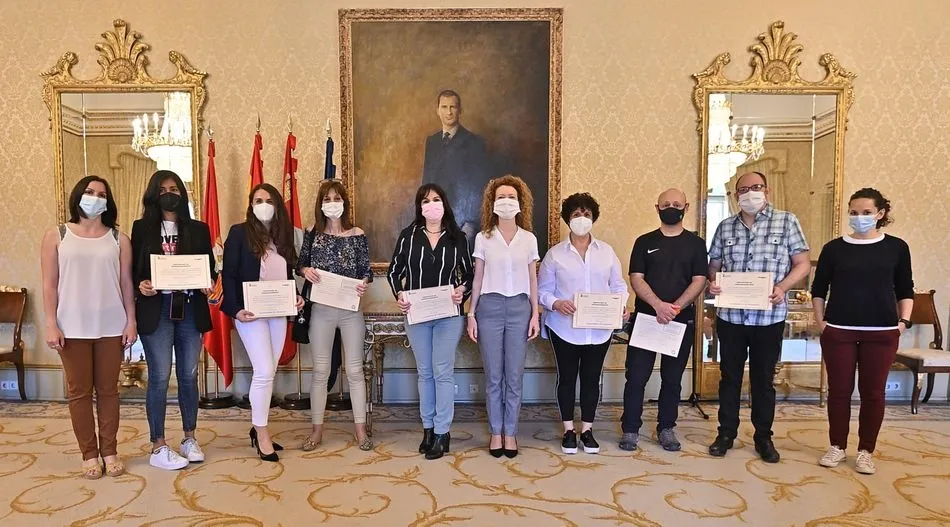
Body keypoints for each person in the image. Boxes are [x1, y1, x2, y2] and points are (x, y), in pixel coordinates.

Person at [707, 171, 810, 463]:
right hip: (731, 318)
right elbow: (713, 265)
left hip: (769, 318)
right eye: (743, 189)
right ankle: (726, 433)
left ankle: (763, 436)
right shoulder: (725, 227)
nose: (749, 193)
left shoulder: (787, 221)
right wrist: (713, 282)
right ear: (735, 195)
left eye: (756, 187)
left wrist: (783, 287)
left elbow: (802, 264)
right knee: (729, 378)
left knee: (763, 380)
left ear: (767, 190)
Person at [40, 175, 136, 479]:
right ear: (78, 196)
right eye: (90, 191)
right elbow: (49, 284)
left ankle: (109, 451)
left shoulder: (119, 239)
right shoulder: (57, 235)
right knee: (79, 392)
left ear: (108, 201)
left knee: (109, 391)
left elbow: (126, 283)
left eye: (102, 194)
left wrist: (131, 321)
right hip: (71, 326)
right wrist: (51, 323)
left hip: (111, 324)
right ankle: (89, 454)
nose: (95, 197)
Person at [811, 188, 913, 475]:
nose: (859, 217)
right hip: (839, 330)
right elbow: (818, 289)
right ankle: (837, 446)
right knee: (839, 392)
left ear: (880, 214)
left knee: (873, 393)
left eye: (866, 212)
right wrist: (821, 323)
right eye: (854, 212)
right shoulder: (834, 249)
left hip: (882, 332)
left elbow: (905, 288)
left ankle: (866, 451)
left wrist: (903, 322)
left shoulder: (896, 247)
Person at [131, 170, 216, 470]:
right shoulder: (141, 228)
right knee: (159, 376)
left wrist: (208, 283)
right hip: (157, 308)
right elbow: (133, 271)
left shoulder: (199, 229)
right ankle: (158, 445)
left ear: (182, 193)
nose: (170, 194)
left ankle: (189, 438)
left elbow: (209, 269)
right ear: (154, 194)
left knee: (189, 375)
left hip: (190, 307)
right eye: (163, 189)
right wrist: (140, 285)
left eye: (175, 189)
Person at [388, 183, 474, 460]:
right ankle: (427, 428)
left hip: (448, 315)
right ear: (420, 207)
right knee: (424, 372)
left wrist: (462, 290)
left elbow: (470, 275)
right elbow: (393, 272)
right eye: (425, 201)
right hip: (417, 315)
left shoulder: (458, 237)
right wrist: (399, 294)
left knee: (442, 372)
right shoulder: (408, 236)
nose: (431, 205)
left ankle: (442, 431)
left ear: (444, 204)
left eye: (436, 199)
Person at [538, 192, 628, 455]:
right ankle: (568, 430)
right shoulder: (554, 255)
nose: (581, 218)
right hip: (563, 328)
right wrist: (556, 303)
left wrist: (620, 305)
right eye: (576, 214)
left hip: (599, 330)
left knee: (591, 379)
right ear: (568, 219)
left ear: (593, 218)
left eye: (586, 214)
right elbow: (542, 291)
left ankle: (587, 430)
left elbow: (619, 286)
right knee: (566, 378)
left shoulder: (607, 252)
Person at [620, 188, 707, 452]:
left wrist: (675, 308)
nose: (671, 207)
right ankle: (630, 429)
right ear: (657, 208)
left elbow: (699, 280)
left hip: (681, 320)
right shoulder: (643, 241)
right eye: (666, 204)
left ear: (686, 207)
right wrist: (658, 306)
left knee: (672, 378)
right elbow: (636, 278)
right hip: (647, 318)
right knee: (636, 377)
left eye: (677, 204)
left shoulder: (696, 244)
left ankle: (666, 428)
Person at [222, 183, 304, 462]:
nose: (263, 205)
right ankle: (262, 433)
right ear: (250, 205)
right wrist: (235, 310)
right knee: (264, 370)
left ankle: (257, 428)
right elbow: (229, 274)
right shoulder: (239, 233)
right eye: (258, 200)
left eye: (268, 200)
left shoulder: (284, 235)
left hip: (278, 312)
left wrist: (295, 296)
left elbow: (286, 275)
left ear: (277, 204)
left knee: (270, 371)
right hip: (250, 313)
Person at [467, 175, 540, 458]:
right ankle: (496, 431)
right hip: (489, 308)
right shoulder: (483, 238)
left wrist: (535, 315)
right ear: (492, 203)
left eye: (511, 197)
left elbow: (533, 280)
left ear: (520, 203)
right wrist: (471, 314)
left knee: (515, 375)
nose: (506, 202)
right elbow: (477, 279)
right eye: (501, 197)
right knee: (494, 376)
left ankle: (511, 432)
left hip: (520, 309)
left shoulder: (529, 239)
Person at [298, 180, 373, 452]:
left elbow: (366, 270)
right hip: (321, 310)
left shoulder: (357, 234)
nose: (332, 203)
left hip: (351, 310)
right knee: (321, 371)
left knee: (354, 371)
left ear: (344, 202)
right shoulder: (312, 233)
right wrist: (305, 271)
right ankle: (316, 431)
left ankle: (361, 431)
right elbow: (300, 264)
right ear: (321, 204)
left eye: (337, 198)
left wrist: (364, 282)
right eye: (327, 199)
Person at [422, 89, 493, 247]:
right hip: (435, 220)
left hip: (462, 222)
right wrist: (425, 217)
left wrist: (470, 223)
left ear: (460, 110)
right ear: (438, 110)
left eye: (453, 107)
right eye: (444, 107)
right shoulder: (432, 142)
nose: (449, 112)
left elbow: (478, 187)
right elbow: (426, 182)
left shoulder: (474, 142)